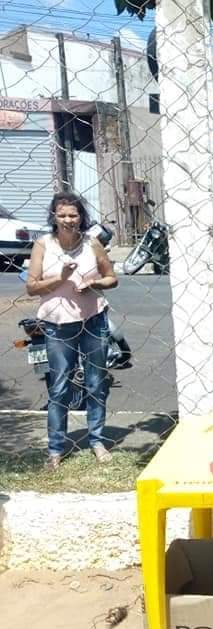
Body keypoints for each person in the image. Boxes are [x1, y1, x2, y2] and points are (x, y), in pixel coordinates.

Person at [26, 191, 118, 469]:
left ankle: (97, 441)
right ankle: (56, 448)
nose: (68, 220)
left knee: (96, 383)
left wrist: (95, 284)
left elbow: (112, 278)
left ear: (81, 217)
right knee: (59, 386)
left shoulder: (92, 244)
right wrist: (61, 278)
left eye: (73, 215)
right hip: (57, 324)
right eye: (62, 215)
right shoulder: (43, 244)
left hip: (93, 320)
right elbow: (31, 287)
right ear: (54, 217)